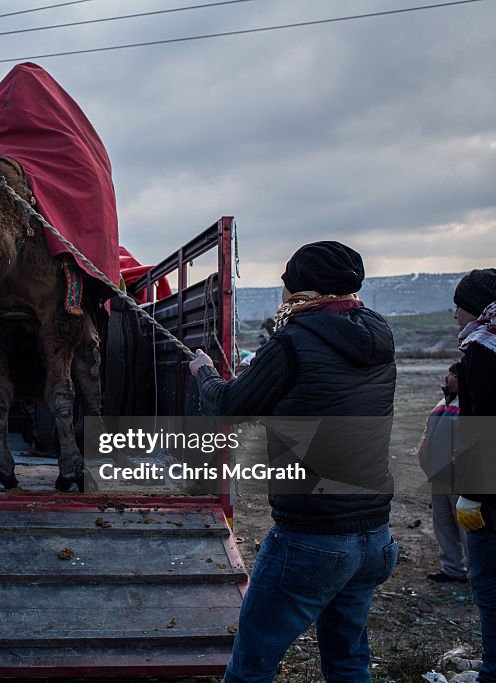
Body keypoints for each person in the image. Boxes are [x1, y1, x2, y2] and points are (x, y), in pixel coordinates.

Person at [189, 241, 398, 683]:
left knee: (252, 663)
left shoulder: (293, 341)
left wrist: (203, 372)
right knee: (347, 660)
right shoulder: (379, 333)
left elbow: (229, 407)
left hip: (312, 537)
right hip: (374, 534)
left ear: (300, 290)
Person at [452, 268, 496, 683]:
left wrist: (472, 492)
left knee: (488, 584)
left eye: (459, 305)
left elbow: (484, 424)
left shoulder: (483, 351)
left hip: (491, 496)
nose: (455, 314)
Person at [417, 363, 467, 583]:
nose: (448, 377)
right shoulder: (441, 404)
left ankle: (480, 576)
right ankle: (452, 570)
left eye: (453, 374)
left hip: (461, 479)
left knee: (466, 528)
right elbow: (427, 435)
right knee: (443, 526)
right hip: (438, 478)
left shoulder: (470, 405)